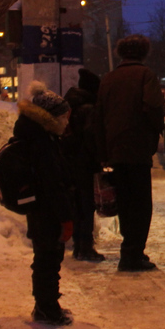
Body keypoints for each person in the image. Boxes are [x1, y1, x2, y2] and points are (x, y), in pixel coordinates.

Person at [94, 34, 164, 272]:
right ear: (143, 53)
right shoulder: (146, 76)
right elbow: (154, 109)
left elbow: (99, 117)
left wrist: (104, 151)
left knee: (124, 202)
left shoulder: (109, 79)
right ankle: (134, 254)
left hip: (115, 152)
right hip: (138, 152)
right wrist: (154, 135)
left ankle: (128, 251)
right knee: (141, 204)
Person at [15, 82, 77, 324]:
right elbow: (53, 186)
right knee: (48, 259)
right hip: (47, 212)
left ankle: (47, 304)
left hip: (41, 210)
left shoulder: (38, 136)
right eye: (63, 117)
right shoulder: (42, 143)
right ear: (50, 117)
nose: (67, 122)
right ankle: (46, 307)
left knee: (47, 258)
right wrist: (65, 217)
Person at [63, 68, 105, 262]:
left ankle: (78, 246)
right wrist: (99, 159)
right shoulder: (88, 109)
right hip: (84, 164)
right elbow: (91, 139)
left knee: (77, 206)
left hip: (69, 163)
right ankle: (86, 247)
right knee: (86, 206)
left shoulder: (69, 105)